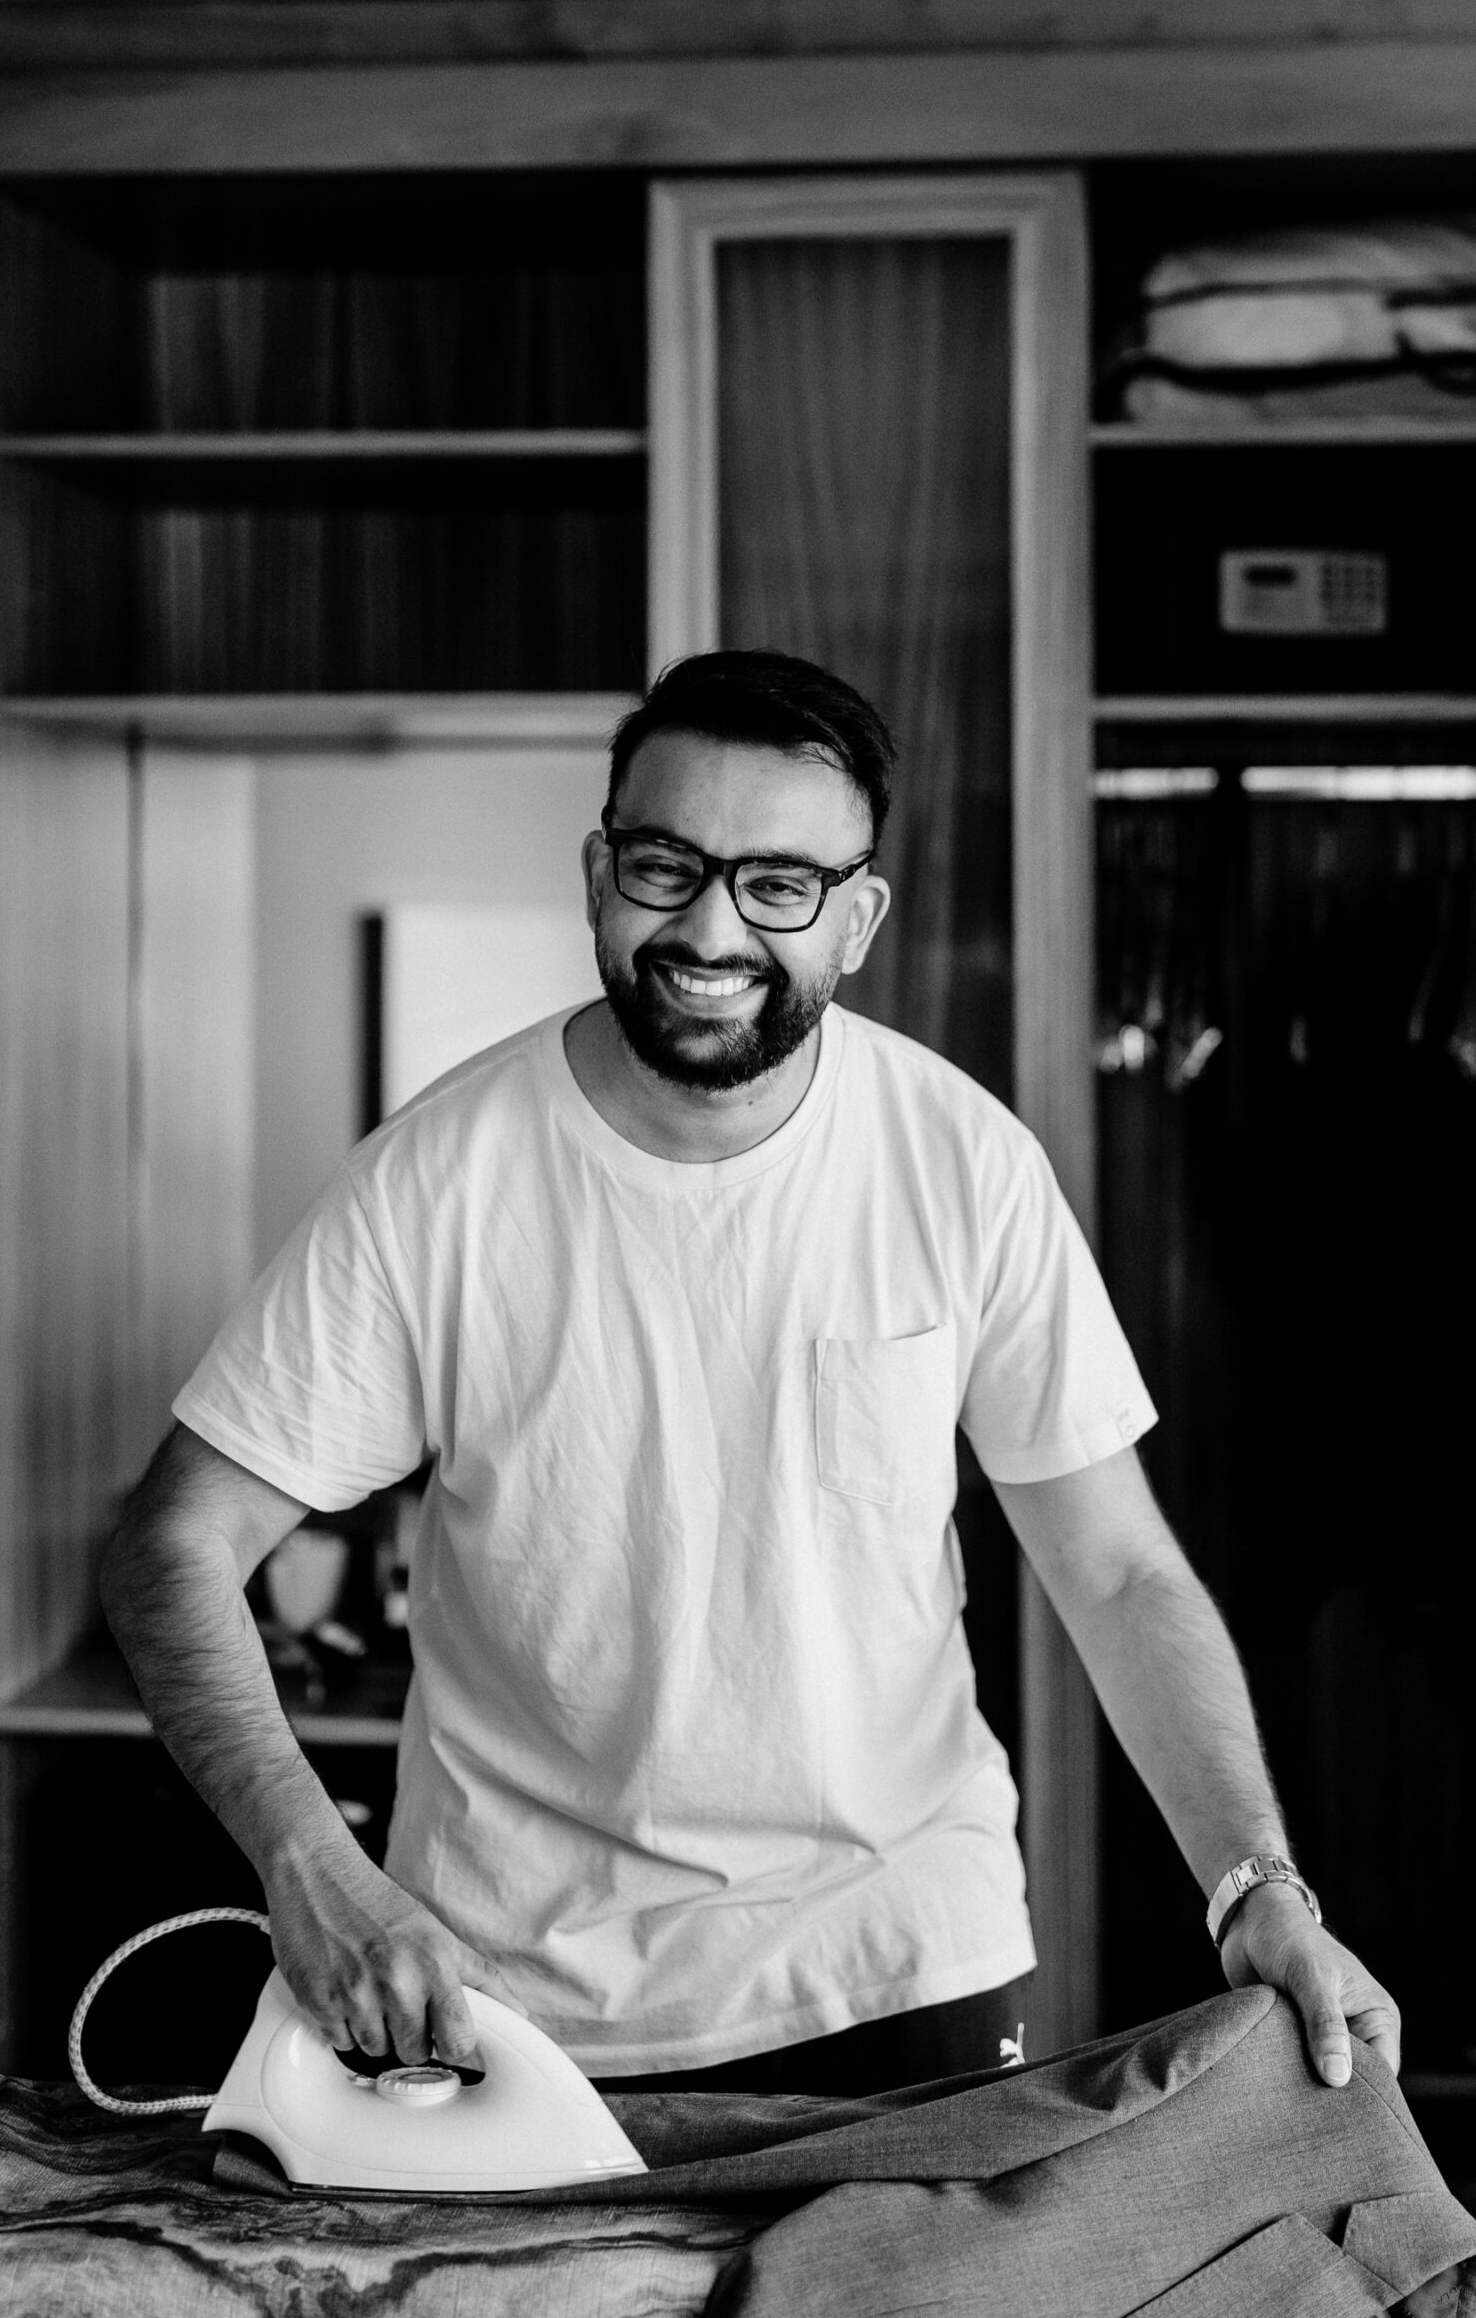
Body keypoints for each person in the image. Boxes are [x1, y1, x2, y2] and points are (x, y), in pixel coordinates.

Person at [101, 648, 1400, 2097]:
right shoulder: (435, 1181)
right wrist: (311, 1867)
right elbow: (175, 1542)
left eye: (780, 884)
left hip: (908, 1961)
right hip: (508, 1999)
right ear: (600, 873)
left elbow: (1118, 1574)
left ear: (858, 918)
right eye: (668, 865)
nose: (713, 926)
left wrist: (1257, 1884)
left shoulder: (963, 1165)